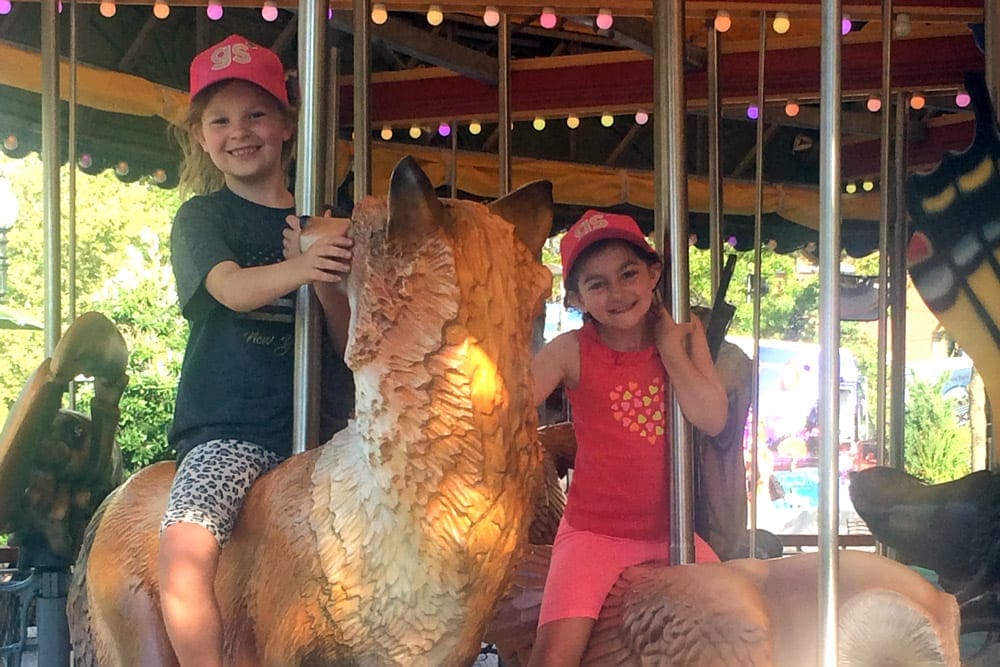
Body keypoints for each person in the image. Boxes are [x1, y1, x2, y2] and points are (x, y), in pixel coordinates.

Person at [159, 35, 353, 667]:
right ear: (202, 135)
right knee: (184, 554)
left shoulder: (321, 226)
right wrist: (302, 265)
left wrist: (324, 272)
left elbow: (349, 342)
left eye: (256, 114)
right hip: (232, 427)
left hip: (323, 432)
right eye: (220, 120)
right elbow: (232, 289)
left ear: (289, 124)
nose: (239, 132)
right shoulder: (202, 218)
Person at [528, 210, 729, 666]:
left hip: (673, 532)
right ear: (576, 298)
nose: (617, 292)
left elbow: (712, 418)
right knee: (553, 659)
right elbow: (505, 403)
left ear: (653, 273)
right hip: (595, 534)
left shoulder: (687, 335)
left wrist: (670, 350)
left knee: (737, 630)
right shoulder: (571, 351)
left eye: (628, 274)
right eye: (596, 284)